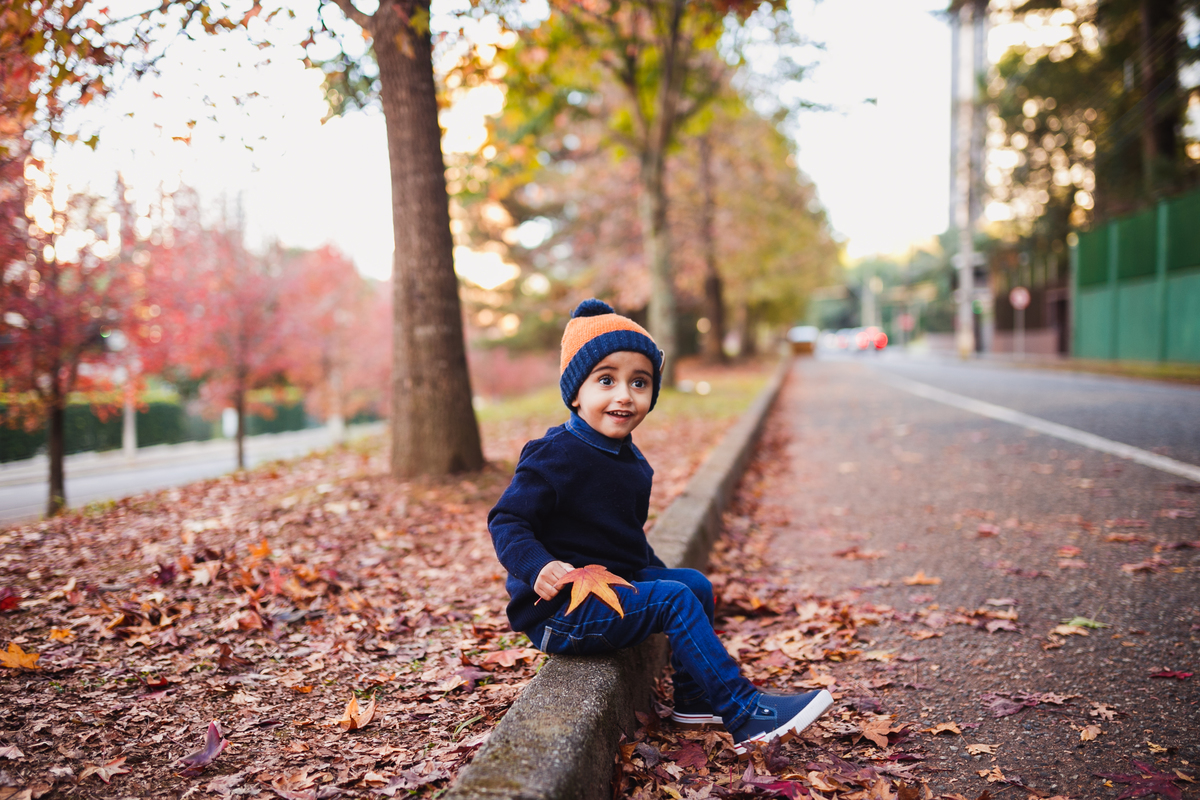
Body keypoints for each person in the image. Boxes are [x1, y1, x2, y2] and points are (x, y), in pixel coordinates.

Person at [488, 298, 832, 756]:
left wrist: (664, 575)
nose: (624, 395)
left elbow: (626, 541)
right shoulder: (554, 454)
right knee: (673, 598)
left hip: (612, 585)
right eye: (606, 380)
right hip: (562, 612)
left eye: (640, 382)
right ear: (575, 393)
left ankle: (693, 700)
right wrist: (539, 566)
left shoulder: (631, 462)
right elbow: (507, 519)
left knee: (692, 585)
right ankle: (744, 712)